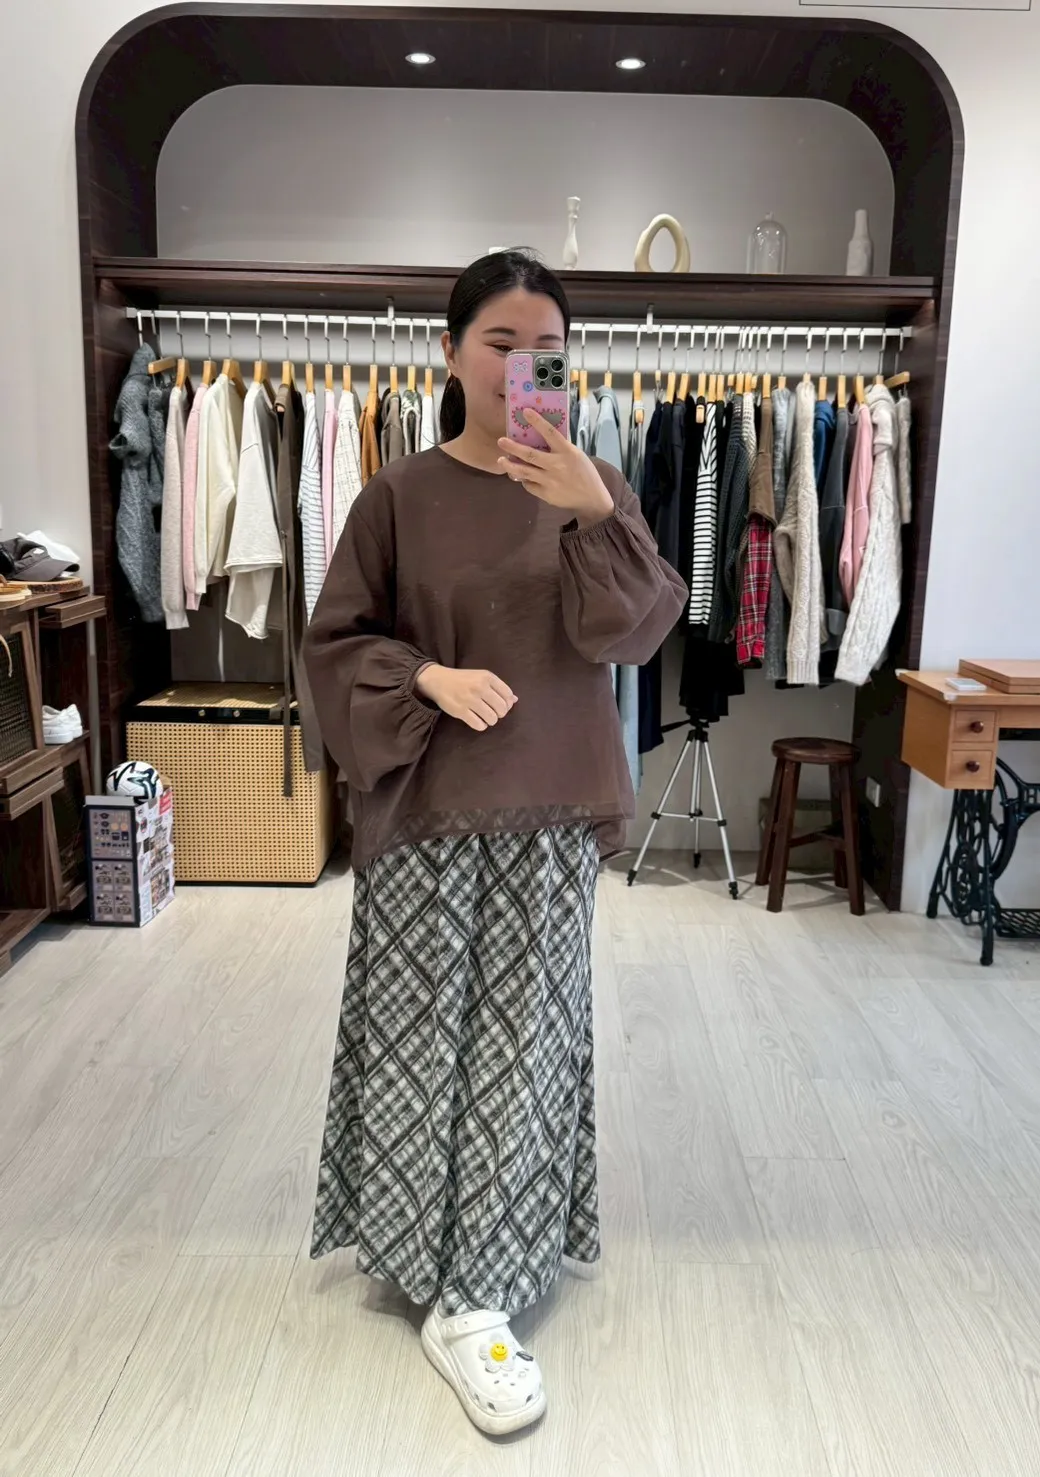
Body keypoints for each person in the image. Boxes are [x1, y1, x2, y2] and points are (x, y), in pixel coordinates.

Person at [304, 249, 686, 1437]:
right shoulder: (398, 496)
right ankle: (414, 1247)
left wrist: (592, 512)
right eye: (501, 343)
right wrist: (424, 672)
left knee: (527, 1046)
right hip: (428, 808)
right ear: (450, 352)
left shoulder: (595, 486)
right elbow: (331, 645)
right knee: (417, 1041)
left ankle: (481, 1288)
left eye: (547, 351)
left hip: (550, 811)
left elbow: (633, 632)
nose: (524, 367)